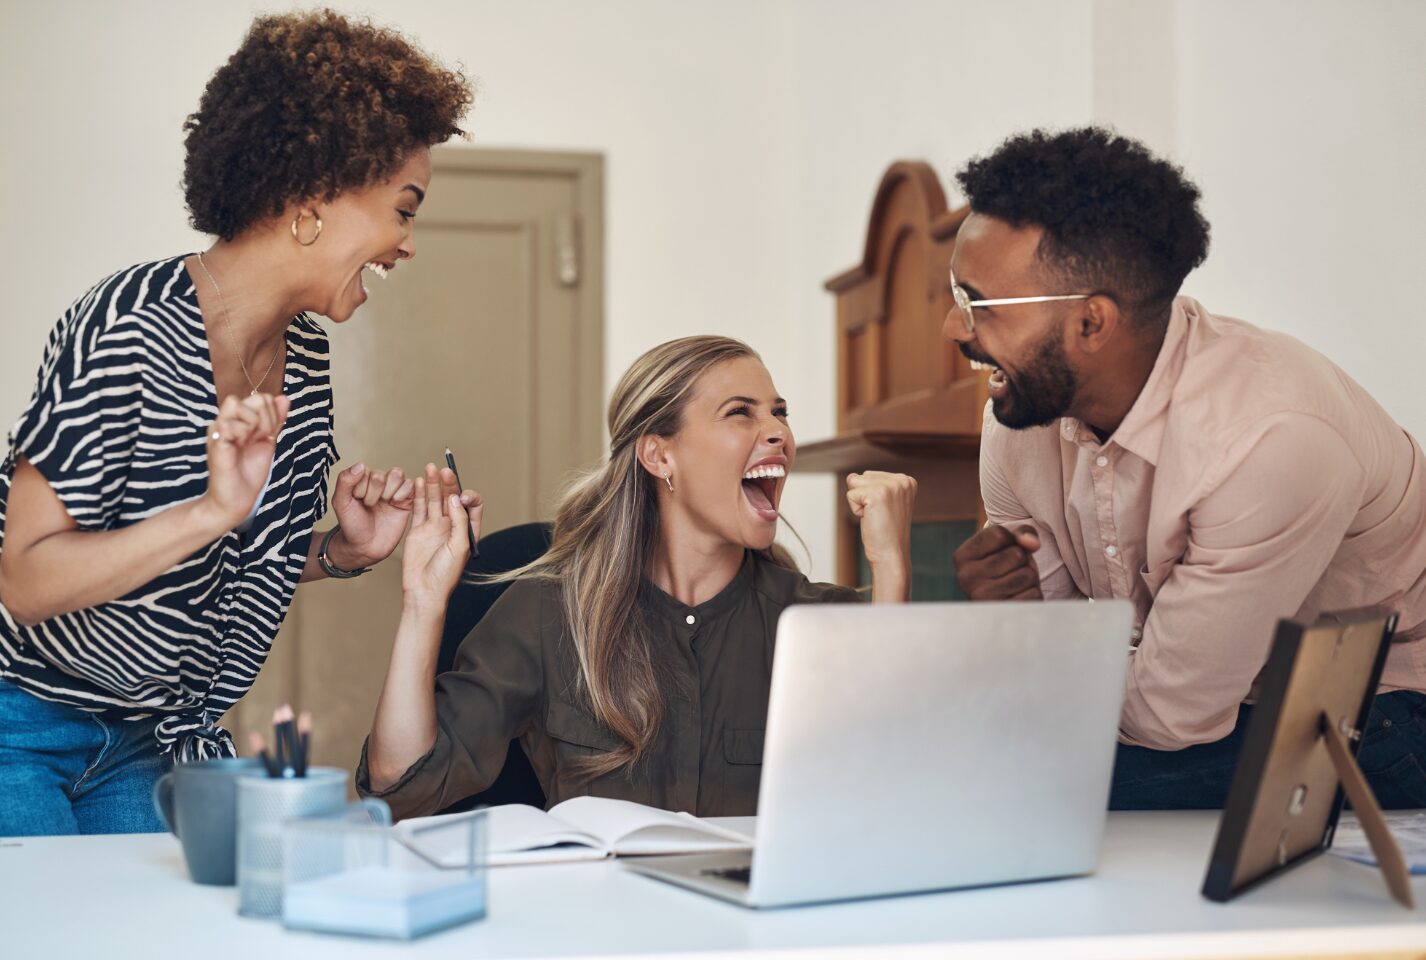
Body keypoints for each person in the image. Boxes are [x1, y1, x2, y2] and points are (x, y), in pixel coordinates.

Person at [0, 10, 473, 835]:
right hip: (24, 724)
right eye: (403, 209)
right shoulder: (128, 326)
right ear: (313, 198)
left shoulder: (307, 362)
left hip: (154, 738)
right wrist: (211, 510)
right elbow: (26, 581)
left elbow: (209, 577)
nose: (407, 243)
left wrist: (337, 551)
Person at [946, 127, 1426, 809]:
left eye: (977, 304)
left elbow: (1170, 715)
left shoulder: (1269, 438)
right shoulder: (1021, 417)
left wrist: (1039, 667)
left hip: (1386, 704)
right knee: (970, 759)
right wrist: (1013, 617)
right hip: (1219, 704)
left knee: (1002, 786)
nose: (952, 329)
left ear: (1091, 323)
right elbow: (1054, 653)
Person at [359, 336, 917, 818]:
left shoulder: (816, 624)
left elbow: (893, 792)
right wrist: (423, 601)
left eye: (780, 412)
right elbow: (401, 784)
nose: (778, 433)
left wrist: (891, 568)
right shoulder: (548, 612)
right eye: (741, 412)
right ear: (658, 455)